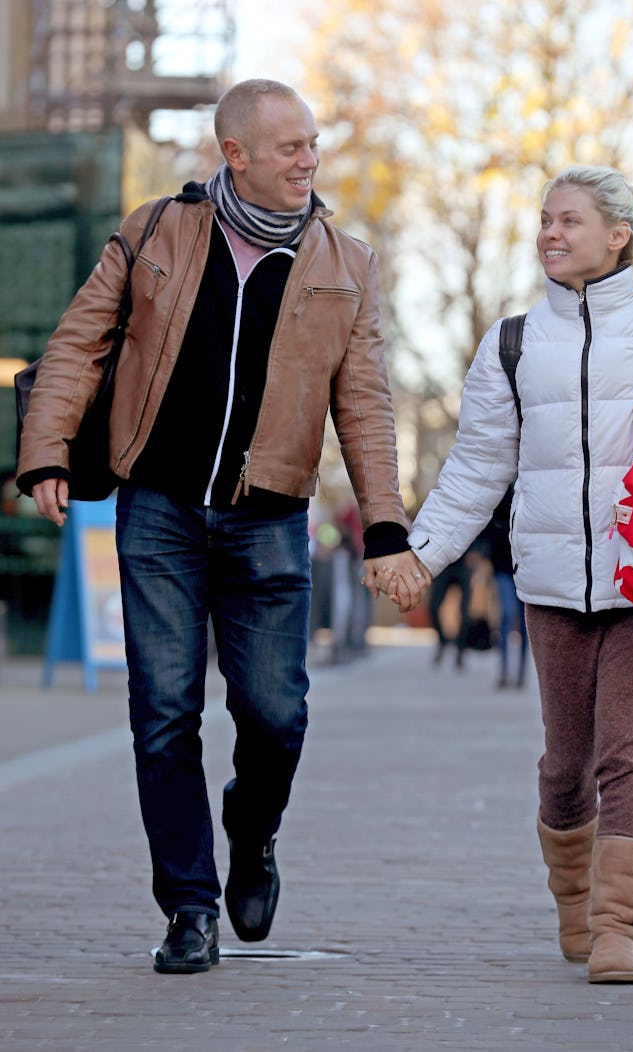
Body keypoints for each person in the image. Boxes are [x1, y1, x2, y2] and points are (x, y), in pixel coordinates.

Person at [16, 79, 429, 974]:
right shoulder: (155, 228)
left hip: (271, 518)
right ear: (235, 153)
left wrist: (386, 525)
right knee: (164, 712)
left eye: (313, 145)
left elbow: (364, 406)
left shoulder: (346, 263)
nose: (308, 161)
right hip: (157, 509)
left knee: (275, 715)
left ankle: (253, 832)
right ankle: (190, 908)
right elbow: (79, 340)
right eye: (290, 148)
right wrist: (45, 447)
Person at [379, 166, 633, 982]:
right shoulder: (511, 343)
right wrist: (423, 556)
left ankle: (619, 926)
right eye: (545, 221)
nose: (550, 234)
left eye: (569, 221)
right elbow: (478, 466)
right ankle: (574, 902)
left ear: (617, 234)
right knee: (565, 762)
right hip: (552, 582)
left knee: (628, 749)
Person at [481, 485, 528, 689]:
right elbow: (488, 519)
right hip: (502, 565)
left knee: (527, 622)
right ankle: (503, 671)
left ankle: (520, 674)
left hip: (528, 566)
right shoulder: (502, 485)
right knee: (507, 615)